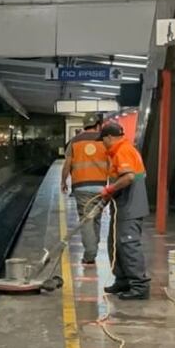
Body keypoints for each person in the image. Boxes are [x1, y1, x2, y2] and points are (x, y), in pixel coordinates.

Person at [97, 121, 151, 300]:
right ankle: (123, 280)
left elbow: (128, 177)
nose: (102, 143)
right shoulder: (122, 150)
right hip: (122, 208)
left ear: (109, 137)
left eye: (102, 139)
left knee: (129, 246)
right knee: (116, 244)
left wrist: (109, 190)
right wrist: (109, 195)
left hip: (130, 209)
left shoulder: (123, 151)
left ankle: (139, 286)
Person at [60, 113, 112, 265]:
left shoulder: (74, 141)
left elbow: (67, 164)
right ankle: (93, 248)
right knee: (96, 218)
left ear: (84, 125)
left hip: (81, 187)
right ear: (98, 125)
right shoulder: (104, 140)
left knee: (86, 220)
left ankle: (89, 254)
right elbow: (111, 162)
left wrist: (64, 181)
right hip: (101, 187)